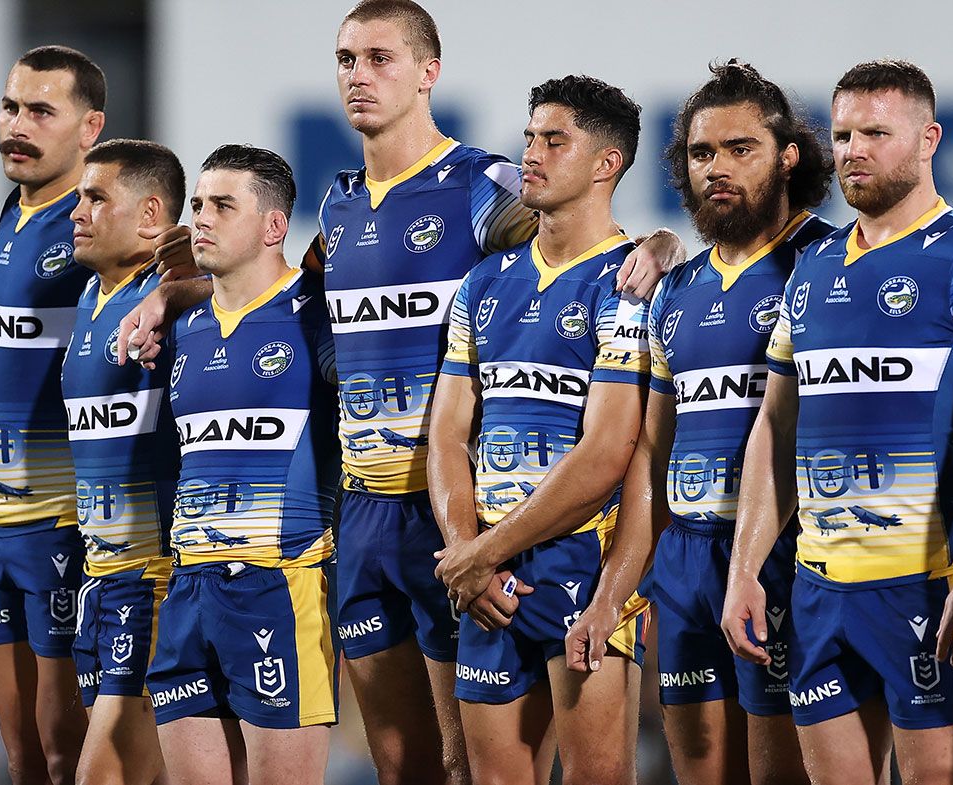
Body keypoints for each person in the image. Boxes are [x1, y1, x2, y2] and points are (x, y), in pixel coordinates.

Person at [293, 5, 684, 780]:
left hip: (474, 515)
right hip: (378, 506)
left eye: (378, 57)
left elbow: (583, 239)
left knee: (463, 761)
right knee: (404, 765)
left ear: (428, 72)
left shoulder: (481, 183)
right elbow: (297, 307)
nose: (357, 75)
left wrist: (664, 246)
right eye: (345, 59)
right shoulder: (337, 206)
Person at [723, 59, 953, 785]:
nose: (853, 149)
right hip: (820, 588)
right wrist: (745, 568)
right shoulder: (813, 268)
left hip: (930, 584)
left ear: (929, 140)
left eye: (876, 133)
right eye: (845, 133)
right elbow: (777, 428)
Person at [563, 59, 834, 785]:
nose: (718, 167)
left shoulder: (833, 264)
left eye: (741, 149)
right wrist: (614, 593)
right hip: (684, 566)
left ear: (788, 155)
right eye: (701, 152)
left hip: (787, 555)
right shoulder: (673, 288)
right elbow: (651, 454)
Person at [430, 75, 650, 785]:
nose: (531, 153)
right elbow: (446, 435)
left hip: (581, 563)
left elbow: (606, 454)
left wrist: (483, 550)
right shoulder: (483, 284)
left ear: (605, 164)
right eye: (530, 137)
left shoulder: (632, 282)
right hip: (488, 572)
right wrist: (467, 551)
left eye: (555, 141)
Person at [144, 145, 339, 785]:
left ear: (274, 227)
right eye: (198, 204)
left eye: (223, 205)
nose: (201, 217)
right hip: (189, 590)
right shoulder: (183, 327)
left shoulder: (321, 310)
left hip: (280, 585)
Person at [0, 44, 106, 785]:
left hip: (63, 528)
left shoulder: (98, 230)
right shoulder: (10, 219)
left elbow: (182, 259)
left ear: (89, 128)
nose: (16, 126)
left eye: (40, 111)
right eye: (9, 106)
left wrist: (164, 290)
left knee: (71, 756)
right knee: (22, 755)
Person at [64, 138, 186, 785]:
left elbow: (208, 255)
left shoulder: (173, 293)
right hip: (98, 581)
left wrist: (177, 282)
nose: (77, 211)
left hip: (154, 583)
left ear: (149, 215)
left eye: (95, 198)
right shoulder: (89, 298)